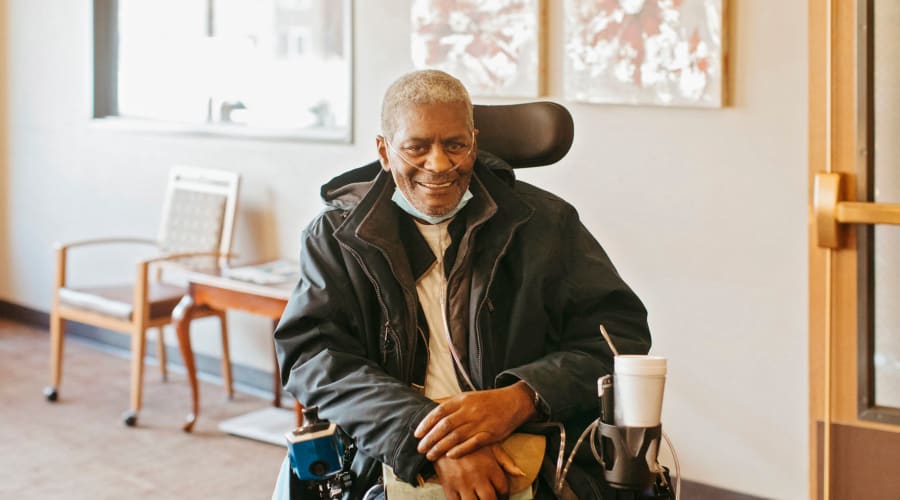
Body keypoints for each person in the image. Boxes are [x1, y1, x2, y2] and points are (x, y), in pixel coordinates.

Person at [273, 69, 651, 499]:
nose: (439, 165)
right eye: (416, 147)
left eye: (455, 145)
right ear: (384, 150)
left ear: (474, 140)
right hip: (390, 437)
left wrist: (522, 397)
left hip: (534, 435)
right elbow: (314, 356)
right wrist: (427, 440)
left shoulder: (545, 223)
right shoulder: (337, 236)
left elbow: (618, 337)